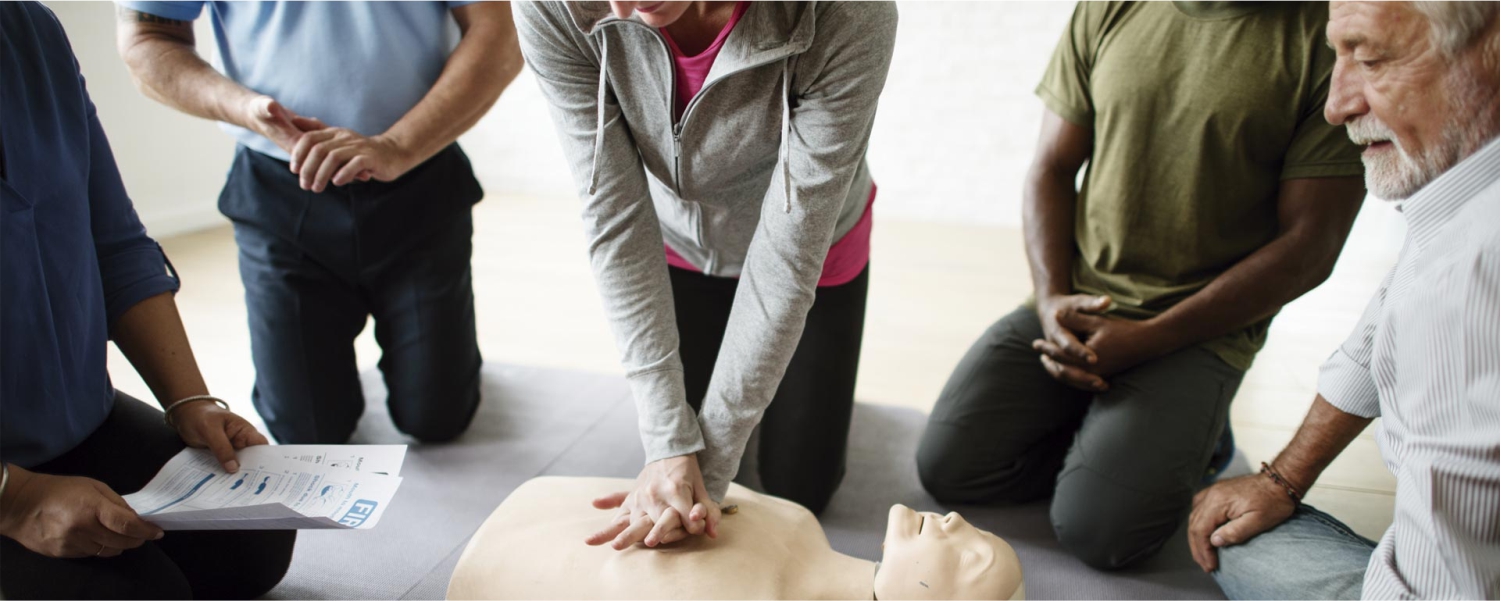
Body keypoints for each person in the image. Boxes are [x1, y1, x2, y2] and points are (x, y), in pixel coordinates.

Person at [915, 1, 1370, 570]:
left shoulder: (1327, 39)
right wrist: (1052, 299)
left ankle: (1196, 441)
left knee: (1100, 533)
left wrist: (1151, 337)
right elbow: (1051, 166)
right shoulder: (1109, 6)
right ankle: (1118, 436)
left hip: (1198, 329)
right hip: (1077, 300)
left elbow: (1309, 248)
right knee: (952, 468)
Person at [513, 0, 896, 547]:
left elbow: (788, 254)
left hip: (813, 246)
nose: (623, 7)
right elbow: (614, 216)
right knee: (675, 438)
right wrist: (668, 445)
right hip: (679, 245)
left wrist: (705, 485)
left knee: (799, 488)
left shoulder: (850, 11)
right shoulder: (554, 5)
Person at [1190, 2, 1500, 598]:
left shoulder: (1468, 284)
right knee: (1234, 529)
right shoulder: (1464, 194)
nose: (1336, 105)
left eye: (1372, 59)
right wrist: (1282, 479)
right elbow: (1382, 324)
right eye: (1339, 55)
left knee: (1228, 543)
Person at [115, 0, 523, 445]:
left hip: (420, 174)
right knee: (305, 433)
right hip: (277, 189)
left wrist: (397, 146)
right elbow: (148, 39)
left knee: (439, 419)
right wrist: (245, 108)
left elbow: (501, 32)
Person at [0, 3, 294, 598]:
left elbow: (116, 245)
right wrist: (16, 498)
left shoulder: (30, 28)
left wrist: (190, 400)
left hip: (80, 418)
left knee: (255, 542)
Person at [447, 477, 1025, 600]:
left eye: (971, 557)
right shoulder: (800, 520)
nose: (956, 520)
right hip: (539, 516)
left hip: (492, 570)